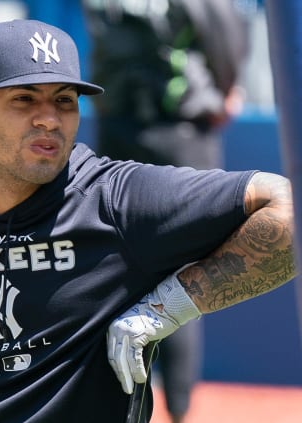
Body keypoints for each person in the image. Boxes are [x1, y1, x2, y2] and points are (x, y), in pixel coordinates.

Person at [0, 19, 295, 423]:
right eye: (24, 99)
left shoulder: (117, 201)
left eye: (64, 101)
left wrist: (172, 305)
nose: (49, 119)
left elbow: (288, 207)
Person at [80, 1, 251, 421]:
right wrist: (224, 90)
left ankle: (148, 408)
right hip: (175, 131)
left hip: (124, 127)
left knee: (122, 270)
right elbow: (226, 35)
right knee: (181, 272)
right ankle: (174, 410)